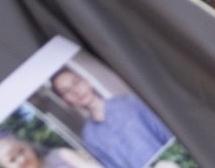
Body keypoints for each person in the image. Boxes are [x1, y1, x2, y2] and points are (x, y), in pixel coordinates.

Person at [47, 66, 175, 168]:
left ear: (86, 81)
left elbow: (167, 135)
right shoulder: (89, 137)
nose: (75, 91)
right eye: (66, 91)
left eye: (75, 82)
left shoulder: (129, 103)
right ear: (66, 101)